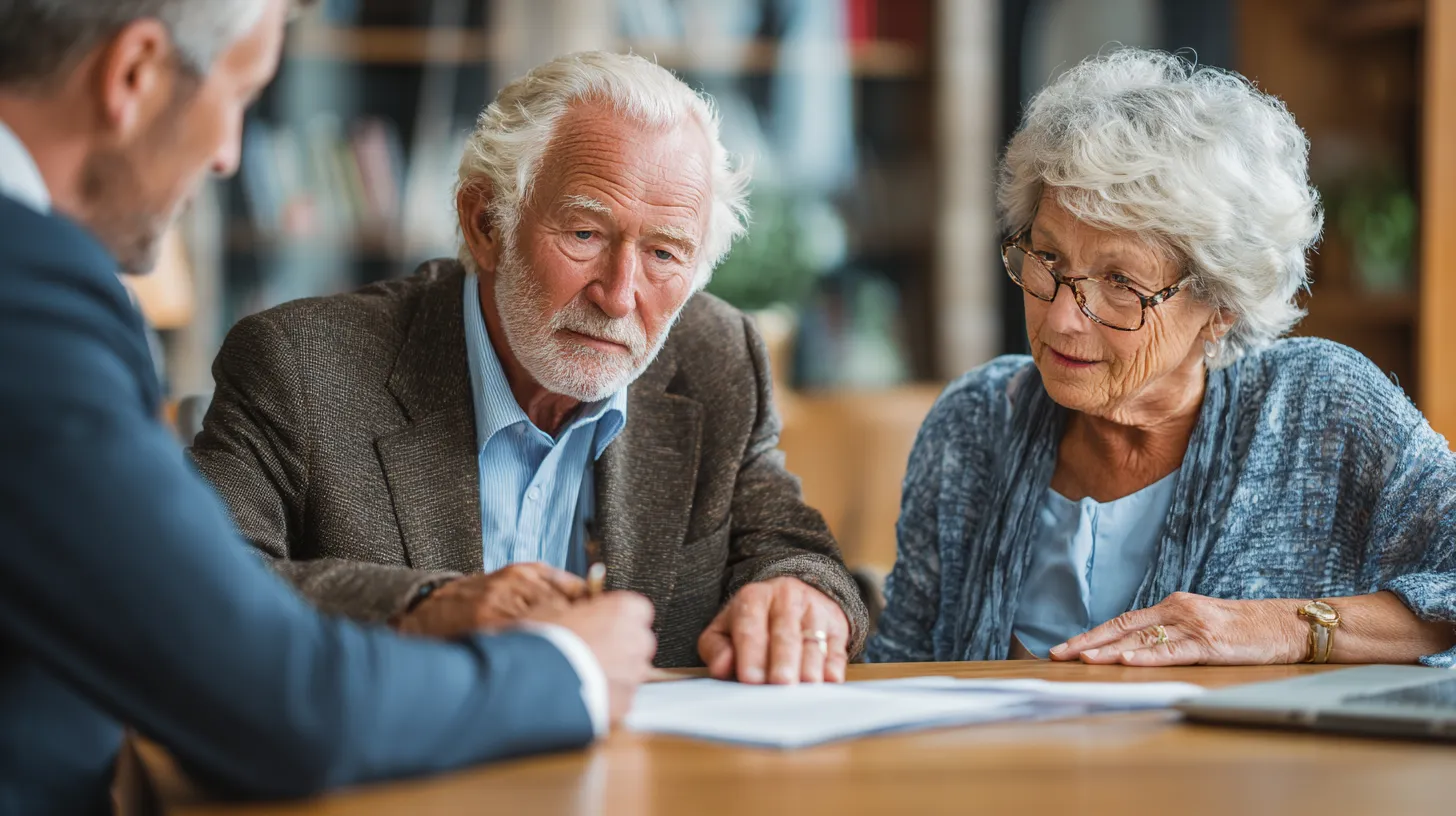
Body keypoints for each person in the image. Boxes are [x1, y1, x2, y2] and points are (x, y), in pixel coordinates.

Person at [0, 2, 656, 813]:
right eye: (240, 95)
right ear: (133, 74)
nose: (229, 156)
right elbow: (275, 701)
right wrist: (566, 668)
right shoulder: (24, 300)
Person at [188, 51, 869, 683]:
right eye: (585, 234)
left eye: (665, 254)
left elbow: (787, 546)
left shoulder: (714, 357)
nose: (619, 294)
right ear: (486, 225)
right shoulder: (302, 365)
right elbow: (192, 584)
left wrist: (801, 597)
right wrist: (429, 607)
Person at [868, 49, 1456, 668]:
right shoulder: (976, 422)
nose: (1063, 318)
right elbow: (897, 666)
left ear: (1220, 306)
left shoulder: (1320, 409)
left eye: (1121, 282)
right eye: (1048, 259)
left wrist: (1287, 627)